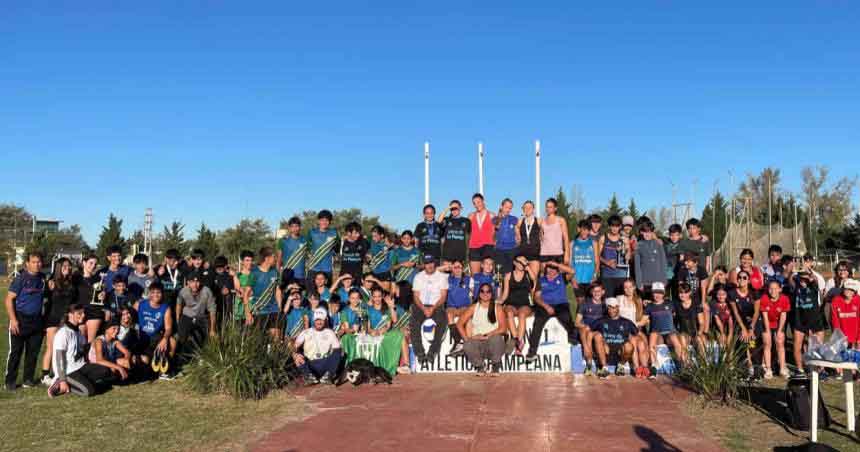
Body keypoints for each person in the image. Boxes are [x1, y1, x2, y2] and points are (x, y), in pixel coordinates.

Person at [48, 304, 116, 397]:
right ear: (70, 315)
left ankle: (84, 383)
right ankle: (59, 383)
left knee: (105, 371)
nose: (83, 315)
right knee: (88, 391)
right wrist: (63, 379)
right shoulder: (63, 333)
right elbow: (59, 358)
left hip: (81, 366)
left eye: (83, 313)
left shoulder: (79, 332)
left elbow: (83, 353)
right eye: (79, 313)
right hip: (68, 371)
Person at [4, 252, 46, 391]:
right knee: (16, 352)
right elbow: (8, 299)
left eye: (39, 262)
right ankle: (10, 382)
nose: (37, 264)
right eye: (34, 262)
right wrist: (14, 320)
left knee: (33, 353)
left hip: (37, 320)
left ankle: (28, 379)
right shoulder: (20, 279)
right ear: (27, 263)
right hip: (20, 319)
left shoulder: (43, 279)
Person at [526, 261, 577, 363]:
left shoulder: (562, 278)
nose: (550, 272)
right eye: (548, 270)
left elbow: (572, 271)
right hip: (545, 305)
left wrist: (557, 264)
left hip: (560, 304)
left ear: (557, 271)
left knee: (567, 317)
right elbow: (536, 297)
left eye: (553, 270)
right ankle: (532, 352)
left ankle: (573, 340)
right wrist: (546, 306)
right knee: (538, 323)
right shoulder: (541, 280)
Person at [457, 283, 508, 376]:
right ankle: (480, 366)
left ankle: (495, 366)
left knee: (497, 339)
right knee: (467, 344)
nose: (485, 293)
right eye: (482, 291)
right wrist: (468, 339)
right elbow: (459, 324)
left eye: (488, 291)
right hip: (477, 343)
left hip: (493, 342)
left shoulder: (498, 307)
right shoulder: (473, 308)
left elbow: (504, 328)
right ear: (479, 294)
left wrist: (488, 335)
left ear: (491, 294)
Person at [41, 257, 76, 385]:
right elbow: (44, 301)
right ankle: (45, 375)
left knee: (63, 348)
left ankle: (59, 372)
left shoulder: (71, 283)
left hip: (66, 319)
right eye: (64, 266)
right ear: (58, 267)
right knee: (51, 347)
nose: (68, 268)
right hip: (53, 319)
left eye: (69, 266)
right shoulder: (51, 282)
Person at [410, 255, 449, 365]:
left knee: (442, 323)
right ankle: (420, 354)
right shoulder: (418, 276)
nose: (430, 265)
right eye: (427, 263)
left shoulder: (441, 277)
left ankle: (432, 352)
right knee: (414, 324)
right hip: (420, 305)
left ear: (434, 263)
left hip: (436, 305)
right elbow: (416, 296)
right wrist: (423, 308)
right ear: (424, 265)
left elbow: (443, 297)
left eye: (431, 262)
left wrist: (432, 308)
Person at [591, 298, 644, 379]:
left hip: (620, 353)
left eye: (615, 307)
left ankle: (621, 366)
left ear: (618, 308)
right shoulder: (600, 321)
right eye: (610, 307)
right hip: (605, 351)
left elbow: (639, 335)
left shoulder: (627, 322)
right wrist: (588, 348)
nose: (612, 310)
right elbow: (588, 333)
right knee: (597, 337)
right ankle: (604, 368)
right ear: (607, 308)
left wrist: (646, 346)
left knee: (629, 346)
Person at [133, 282, 177, 378]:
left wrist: (165, 339)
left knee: (172, 341)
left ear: (162, 294)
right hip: (141, 337)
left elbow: (168, 328)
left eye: (158, 292)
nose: (156, 295)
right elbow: (129, 316)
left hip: (155, 338)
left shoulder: (165, 308)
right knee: (146, 364)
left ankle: (164, 370)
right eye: (153, 292)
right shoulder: (140, 304)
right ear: (149, 293)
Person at [643, 282, 683, 377]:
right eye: (655, 292)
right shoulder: (649, 306)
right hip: (657, 334)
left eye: (660, 292)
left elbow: (676, 314)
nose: (657, 295)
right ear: (652, 293)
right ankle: (653, 367)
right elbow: (643, 320)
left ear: (663, 293)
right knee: (653, 335)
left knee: (674, 337)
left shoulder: (670, 304)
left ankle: (680, 365)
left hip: (669, 333)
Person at [293, 308, 343, 385]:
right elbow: (295, 346)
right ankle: (309, 376)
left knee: (339, 352)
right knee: (296, 356)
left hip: (325, 363)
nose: (319, 322)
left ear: (325, 320)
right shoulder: (306, 332)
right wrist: (295, 353)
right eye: (317, 320)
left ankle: (328, 377)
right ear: (313, 320)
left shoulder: (330, 332)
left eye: (321, 320)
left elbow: (337, 349)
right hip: (310, 364)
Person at [788, 271, 824, 375]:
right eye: (801, 279)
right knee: (797, 346)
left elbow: (815, 280)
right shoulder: (796, 287)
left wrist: (809, 273)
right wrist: (796, 271)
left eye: (806, 279)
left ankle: (820, 369)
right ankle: (800, 369)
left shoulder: (813, 286)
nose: (803, 281)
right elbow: (791, 279)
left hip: (815, 320)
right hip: (800, 321)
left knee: (818, 346)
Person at [501, 255, 537, 355]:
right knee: (508, 312)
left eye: (524, 262)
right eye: (520, 262)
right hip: (511, 303)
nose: (522, 264)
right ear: (515, 263)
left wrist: (528, 267)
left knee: (522, 314)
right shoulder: (508, 276)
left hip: (525, 304)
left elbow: (534, 279)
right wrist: (496, 302)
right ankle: (517, 340)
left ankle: (518, 341)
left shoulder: (527, 274)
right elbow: (505, 295)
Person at [729, 270, 762, 377]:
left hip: (753, 322)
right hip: (740, 322)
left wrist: (751, 328)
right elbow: (736, 313)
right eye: (739, 277)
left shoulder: (754, 293)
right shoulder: (732, 294)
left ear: (748, 280)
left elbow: (756, 312)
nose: (741, 279)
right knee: (743, 344)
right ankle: (744, 369)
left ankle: (756, 370)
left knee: (752, 344)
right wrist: (743, 328)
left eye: (744, 278)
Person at [176, 272, 217, 352]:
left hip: (201, 317)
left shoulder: (207, 291)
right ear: (188, 282)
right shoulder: (183, 291)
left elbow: (212, 310)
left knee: (203, 338)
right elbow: (179, 304)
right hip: (187, 316)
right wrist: (178, 318)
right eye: (192, 282)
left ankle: (199, 355)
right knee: (182, 336)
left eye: (197, 282)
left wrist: (212, 329)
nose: (195, 284)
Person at [249, 247, 283, 339]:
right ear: (267, 258)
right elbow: (247, 293)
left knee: (276, 338)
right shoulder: (254, 272)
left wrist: (279, 307)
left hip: (274, 310)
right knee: (259, 339)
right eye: (273, 257)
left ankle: (275, 353)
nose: (275, 259)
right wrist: (248, 312)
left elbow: (277, 290)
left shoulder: (275, 272)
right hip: (259, 311)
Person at [759, 280, 790, 379]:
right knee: (767, 343)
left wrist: (780, 331)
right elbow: (764, 316)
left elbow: (783, 315)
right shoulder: (764, 298)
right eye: (771, 288)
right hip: (767, 323)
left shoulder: (785, 299)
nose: (773, 291)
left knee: (780, 343)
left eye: (776, 288)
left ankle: (782, 368)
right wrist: (767, 331)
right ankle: (768, 369)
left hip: (778, 323)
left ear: (780, 289)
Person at [575, 282, 607, 375]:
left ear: (603, 292)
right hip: (585, 332)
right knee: (586, 330)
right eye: (594, 291)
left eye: (599, 291)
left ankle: (602, 367)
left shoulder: (605, 306)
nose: (597, 293)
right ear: (591, 292)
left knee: (596, 336)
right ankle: (589, 363)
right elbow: (577, 323)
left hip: (598, 332)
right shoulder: (584, 304)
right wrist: (585, 326)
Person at [88, 318, 131, 383]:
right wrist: (119, 367)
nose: (116, 331)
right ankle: (109, 381)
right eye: (114, 328)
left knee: (124, 362)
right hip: (96, 365)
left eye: (118, 329)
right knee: (113, 368)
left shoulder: (115, 341)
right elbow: (99, 360)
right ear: (106, 329)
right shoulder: (99, 340)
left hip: (107, 362)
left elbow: (127, 352)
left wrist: (126, 359)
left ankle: (123, 378)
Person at [445, 260, 474, 356]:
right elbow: (435, 271)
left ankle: (469, 344)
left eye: (459, 267)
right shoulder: (446, 278)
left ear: (463, 269)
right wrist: (447, 267)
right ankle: (457, 342)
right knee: (449, 314)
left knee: (468, 318)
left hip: (464, 306)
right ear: (451, 269)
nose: (457, 270)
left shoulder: (469, 279)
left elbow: (473, 295)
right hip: (452, 307)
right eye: (455, 267)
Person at [598, 215, 630, 297]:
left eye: (617, 226)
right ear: (609, 226)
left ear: (620, 227)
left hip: (621, 274)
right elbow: (597, 256)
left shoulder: (624, 239)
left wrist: (627, 253)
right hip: (607, 275)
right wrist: (607, 262)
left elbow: (628, 254)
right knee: (608, 301)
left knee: (620, 301)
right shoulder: (603, 238)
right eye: (612, 226)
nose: (614, 228)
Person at [306, 210, 339, 286]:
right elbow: (306, 246)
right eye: (322, 220)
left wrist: (334, 254)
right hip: (313, 268)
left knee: (326, 295)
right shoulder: (312, 232)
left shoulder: (334, 233)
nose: (324, 222)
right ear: (318, 221)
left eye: (327, 220)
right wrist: (309, 255)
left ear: (330, 222)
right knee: (311, 295)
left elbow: (337, 247)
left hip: (327, 269)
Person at [674, 283, 705, 362]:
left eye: (685, 292)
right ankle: (686, 367)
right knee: (683, 339)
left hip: (695, 331)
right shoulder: (676, 304)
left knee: (699, 340)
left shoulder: (696, 303)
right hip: (683, 332)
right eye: (680, 292)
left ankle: (703, 365)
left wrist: (700, 332)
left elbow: (701, 322)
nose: (682, 295)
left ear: (690, 293)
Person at [634, 221, 667, 291]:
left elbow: (663, 263)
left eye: (649, 232)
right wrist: (639, 283)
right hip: (645, 282)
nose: (647, 234)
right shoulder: (638, 245)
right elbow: (637, 266)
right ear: (642, 232)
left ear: (652, 232)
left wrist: (664, 280)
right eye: (645, 232)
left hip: (658, 282)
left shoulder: (658, 244)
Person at [468, 193, 496, 276]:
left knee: (488, 275)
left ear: (483, 201)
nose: (477, 205)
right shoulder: (471, 216)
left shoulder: (492, 215)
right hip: (474, 247)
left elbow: (497, 232)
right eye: (474, 203)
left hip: (488, 247)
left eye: (478, 202)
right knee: (475, 276)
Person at [539, 198, 570, 268]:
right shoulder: (542, 221)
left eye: (550, 207)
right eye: (547, 207)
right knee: (545, 277)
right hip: (544, 253)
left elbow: (566, 238)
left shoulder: (561, 220)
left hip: (558, 253)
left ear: (555, 208)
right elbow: (541, 238)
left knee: (558, 276)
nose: (548, 209)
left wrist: (567, 254)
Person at [277, 216, 308, 286]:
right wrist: (278, 274)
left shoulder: (305, 240)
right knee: (286, 296)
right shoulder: (283, 241)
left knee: (300, 296)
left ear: (300, 227)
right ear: (289, 228)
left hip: (301, 276)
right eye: (292, 226)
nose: (295, 229)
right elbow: (279, 259)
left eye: (297, 226)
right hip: (287, 275)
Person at [439, 200, 471, 267]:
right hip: (447, 255)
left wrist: (467, 254)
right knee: (446, 276)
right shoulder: (446, 220)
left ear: (461, 208)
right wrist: (448, 208)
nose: (454, 210)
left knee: (458, 276)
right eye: (452, 209)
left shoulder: (466, 221)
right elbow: (439, 221)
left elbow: (469, 238)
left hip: (460, 255)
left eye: (456, 208)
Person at [831, 279, 860, 349]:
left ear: (855, 291)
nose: (848, 291)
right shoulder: (836, 300)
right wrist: (839, 337)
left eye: (851, 290)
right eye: (846, 289)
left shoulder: (858, 300)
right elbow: (835, 320)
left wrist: (859, 338)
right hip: (842, 337)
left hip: (856, 336)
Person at [515, 200, 542, 277]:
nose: (527, 209)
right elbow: (517, 235)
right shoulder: (520, 221)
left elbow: (543, 234)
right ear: (523, 209)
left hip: (535, 254)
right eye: (525, 208)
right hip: (522, 254)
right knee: (522, 279)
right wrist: (518, 236)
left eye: (529, 207)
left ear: (533, 209)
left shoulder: (539, 220)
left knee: (533, 278)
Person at [157, 248, 184, 324]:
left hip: (177, 303)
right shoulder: (160, 269)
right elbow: (149, 273)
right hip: (164, 302)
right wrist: (158, 273)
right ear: (166, 259)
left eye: (177, 261)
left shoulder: (181, 269)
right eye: (173, 261)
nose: (175, 263)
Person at [494, 198, 519, 275]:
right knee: (500, 273)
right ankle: (500, 287)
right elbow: (494, 231)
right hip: (499, 250)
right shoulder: (495, 219)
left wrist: (517, 243)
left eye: (510, 208)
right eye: (506, 207)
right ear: (501, 207)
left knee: (510, 273)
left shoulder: (514, 219)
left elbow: (518, 234)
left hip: (512, 250)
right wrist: (499, 218)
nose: (508, 209)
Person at [572, 220, 599, 289]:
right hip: (577, 279)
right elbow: (570, 262)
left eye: (587, 230)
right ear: (578, 229)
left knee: (589, 299)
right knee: (580, 300)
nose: (585, 232)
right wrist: (573, 278)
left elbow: (597, 261)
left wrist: (595, 275)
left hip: (590, 279)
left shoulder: (594, 243)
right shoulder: (572, 243)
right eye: (583, 230)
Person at [368, 225, 394, 292]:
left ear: (382, 235)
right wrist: (368, 257)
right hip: (374, 272)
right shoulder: (372, 243)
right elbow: (370, 255)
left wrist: (389, 246)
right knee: (374, 294)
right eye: (372, 236)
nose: (373, 238)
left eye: (375, 236)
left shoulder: (388, 243)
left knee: (385, 291)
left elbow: (391, 259)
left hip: (384, 273)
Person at [234, 250, 255, 325]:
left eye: (251, 260)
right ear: (242, 262)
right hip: (240, 309)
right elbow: (239, 292)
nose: (249, 262)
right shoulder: (238, 276)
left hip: (253, 307)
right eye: (247, 260)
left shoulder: (255, 275)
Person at [663, 224, 684, 299]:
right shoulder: (665, 245)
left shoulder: (683, 245)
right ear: (669, 235)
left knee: (676, 296)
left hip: (677, 276)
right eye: (672, 235)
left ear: (680, 235)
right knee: (665, 296)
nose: (674, 237)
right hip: (667, 275)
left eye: (676, 235)